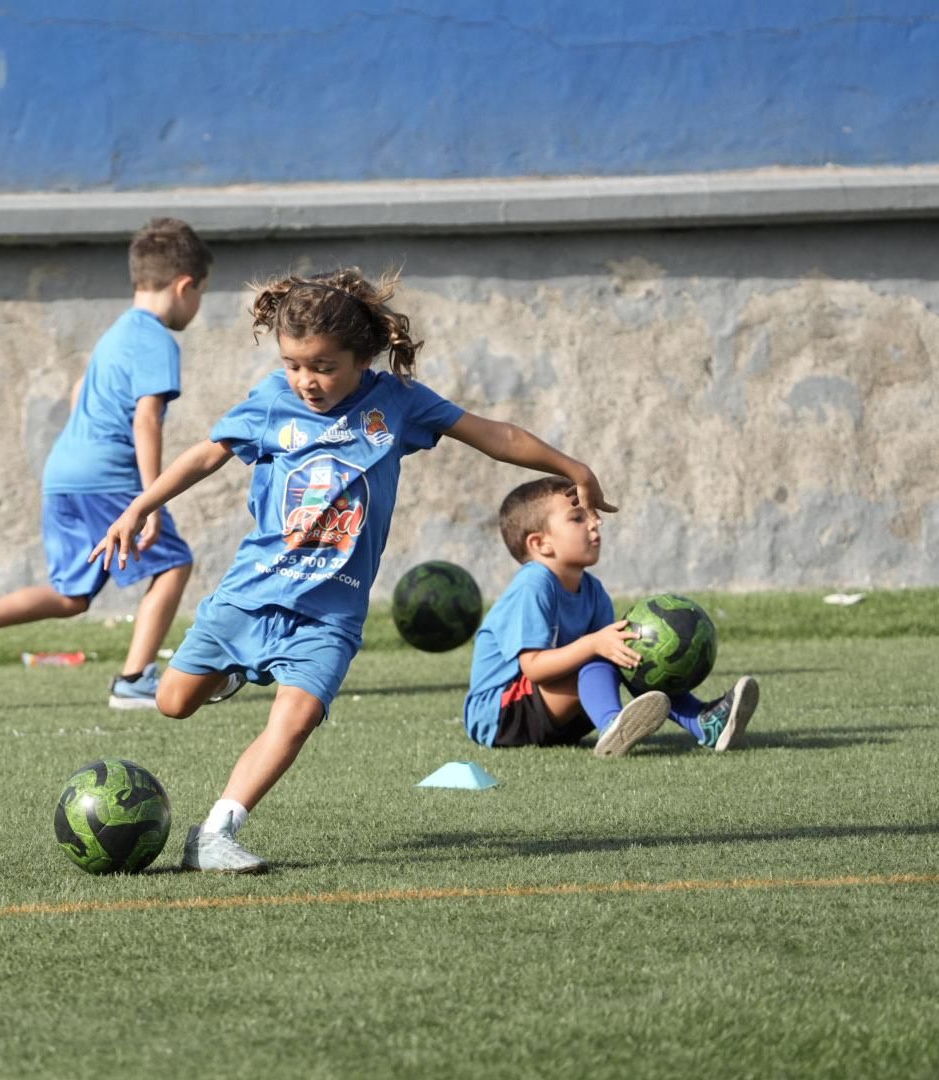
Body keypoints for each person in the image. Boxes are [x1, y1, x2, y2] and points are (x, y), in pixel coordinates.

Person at [91, 267, 613, 873]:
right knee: (174, 701)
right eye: (294, 365)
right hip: (253, 591)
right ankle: (233, 675)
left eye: (323, 366)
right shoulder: (269, 400)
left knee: (299, 715)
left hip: (331, 611)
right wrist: (139, 506)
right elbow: (207, 454)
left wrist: (572, 465)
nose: (307, 381)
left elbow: (493, 434)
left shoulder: (398, 403)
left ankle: (216, 831)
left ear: (364, 356)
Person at [0, 218, 217, 709]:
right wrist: (149, 500)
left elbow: (77, 393)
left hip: (64, 472)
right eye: (201, 294)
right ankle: (135, 678)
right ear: (184, 286)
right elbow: (147, 420)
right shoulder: (156, 340)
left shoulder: (114, 335)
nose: (197, 306)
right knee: (174, 564)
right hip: (109, 477)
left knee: (72, 594)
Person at [462, 475, 759, 757]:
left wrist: (606, 645)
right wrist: (594, 644)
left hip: (564, 717)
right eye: (578, 518)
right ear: (540, 543)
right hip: (502, 715)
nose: (595, 523)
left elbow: (612, 656)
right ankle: (612, 727)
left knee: (628, 651)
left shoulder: (593, 590)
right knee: (607, 650)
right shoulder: (533, 585)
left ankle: (704, 722)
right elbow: (534, 668)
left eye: (591, 516)